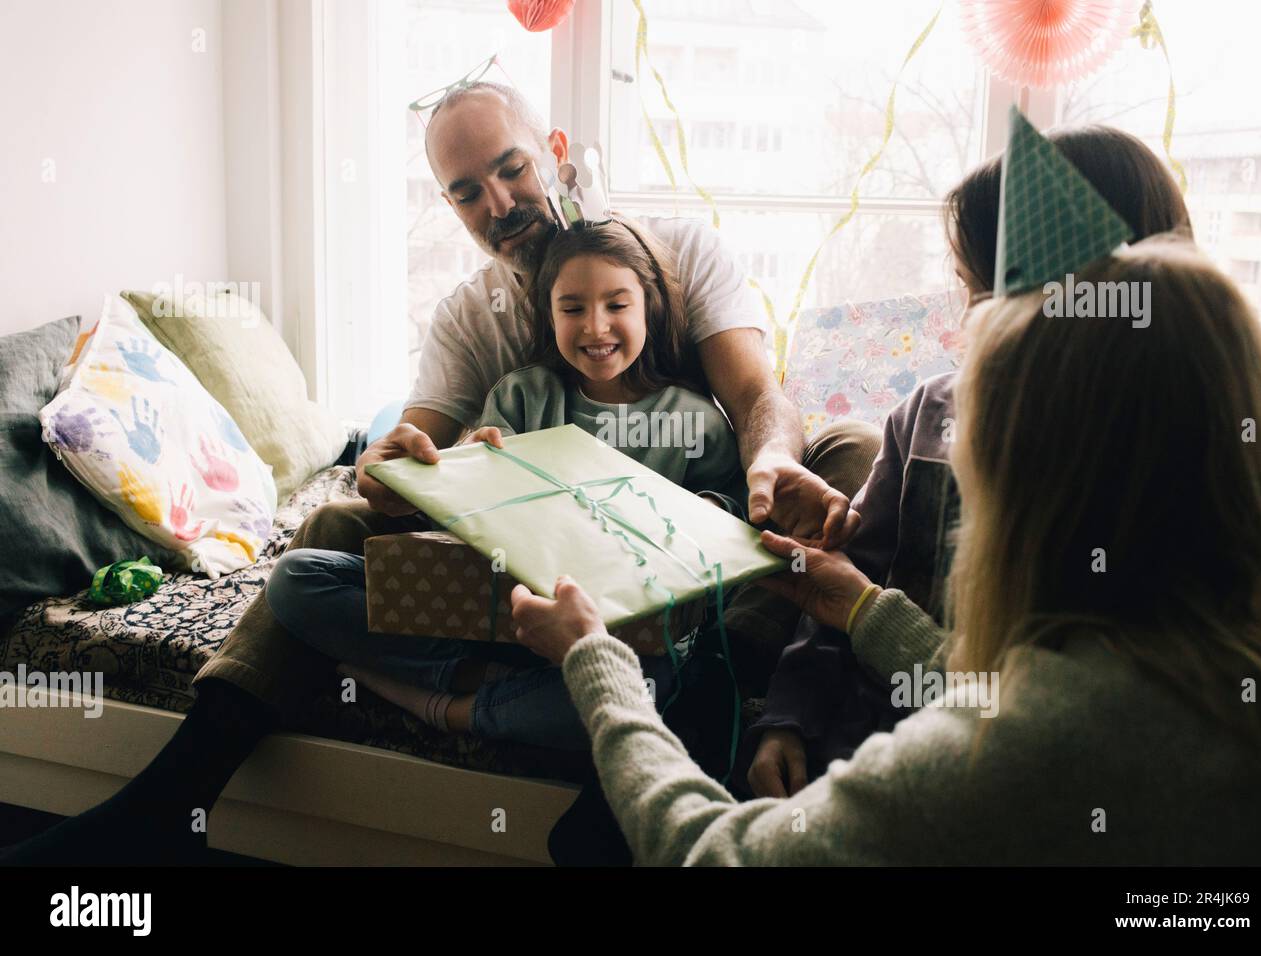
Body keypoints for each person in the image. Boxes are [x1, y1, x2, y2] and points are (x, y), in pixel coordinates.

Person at [3, 79, 877, 865]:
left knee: (851, 451)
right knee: (333, 527)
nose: (498, 203)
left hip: (686, 558)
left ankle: (706, 700)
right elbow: (401, 456)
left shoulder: (677, 251)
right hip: (534, 559)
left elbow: (758, 390)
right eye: (466, 192)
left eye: (511, 169)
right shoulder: (474, 320)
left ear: (556, 154)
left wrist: (767, 461)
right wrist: (391, 468)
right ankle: (178, 792)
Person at [509, 238, 1261, 864]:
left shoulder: (1019, 750)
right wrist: (857, 606)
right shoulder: (1244, 653)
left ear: (1031, 489)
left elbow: (709, 853)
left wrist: (596, 661)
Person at [743, 126, 1195, 799]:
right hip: (856, 754)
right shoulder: (927, 412)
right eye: (968, 289)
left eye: (995, 295)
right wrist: (786, 719)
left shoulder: (1161, 469)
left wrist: (868, 613)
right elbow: (841, 581)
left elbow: (1047, 726)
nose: (972, 320)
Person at [263, 216, 748, 750]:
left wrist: (697, 513)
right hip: (495, 609)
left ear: (649, 307)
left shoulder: (697, 419)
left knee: (662, 687)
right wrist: (462, 471)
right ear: (549, 314)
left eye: (616, 305)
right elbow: (468, 522)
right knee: (296, 577)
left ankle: (453, 708)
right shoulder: (522, 397)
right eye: (572, 309)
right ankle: (489, 682)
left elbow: (728, 528)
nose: (595, 327)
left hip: (608, 636)